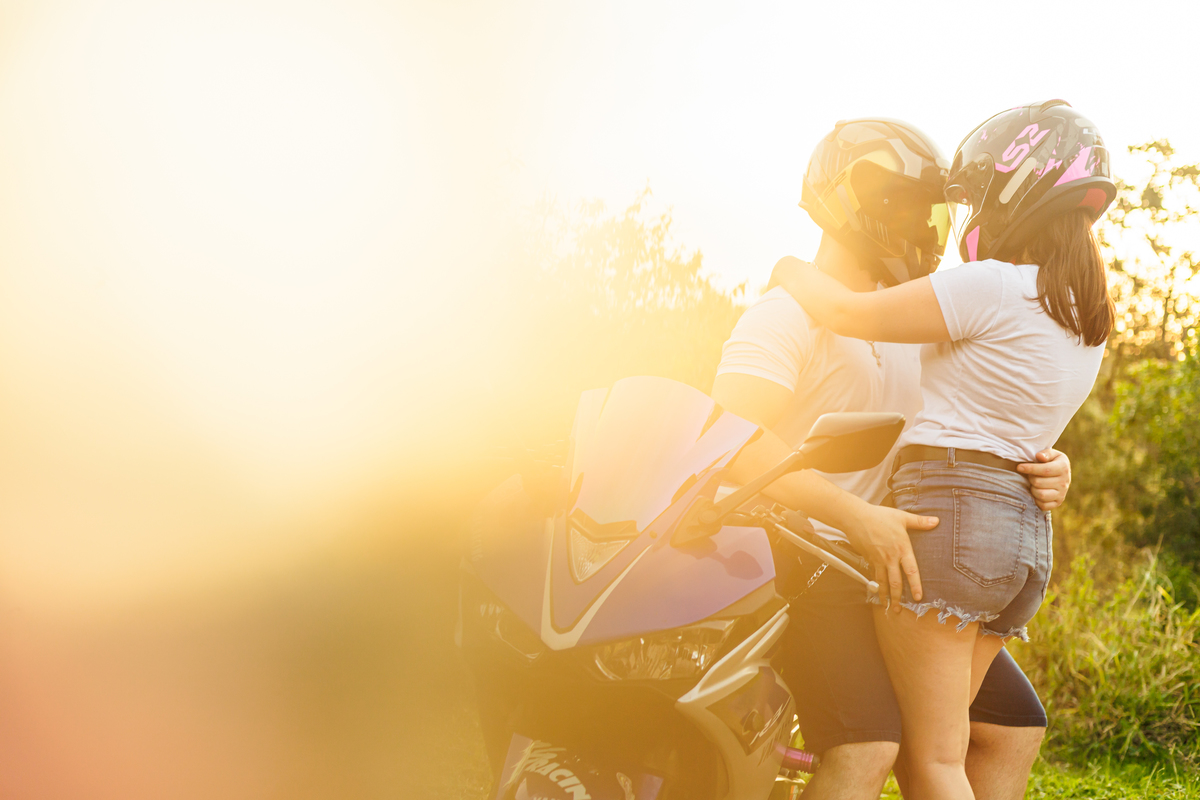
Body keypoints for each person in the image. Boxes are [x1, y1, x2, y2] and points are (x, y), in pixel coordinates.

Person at [715, 117, 1071, 800]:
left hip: (891, 570)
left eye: (935, 211)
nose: (929, 230)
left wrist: (1055, 463)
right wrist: (853, 514)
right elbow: (725, 441)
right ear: (864, 204)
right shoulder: (782, 316)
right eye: (911, 208)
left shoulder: (909, 323)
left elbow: (976, 419)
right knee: (869, 741)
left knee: (1013, 726)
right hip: (799, 561)